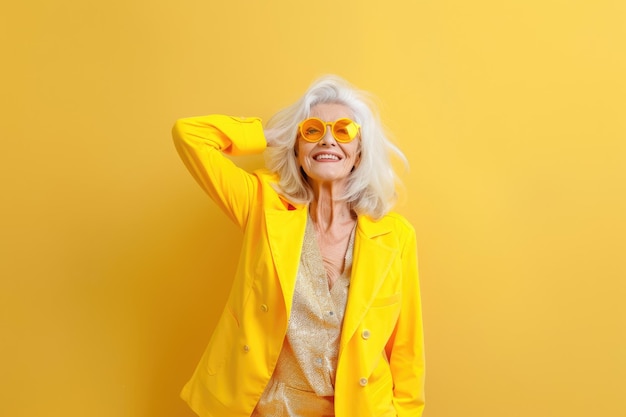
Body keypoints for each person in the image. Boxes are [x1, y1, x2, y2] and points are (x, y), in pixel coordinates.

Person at [172, 75, 425, 417]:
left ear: (360, 151)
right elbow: (189, 136)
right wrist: (271, 134)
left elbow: (407, 348)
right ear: (296, 147)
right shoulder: (262, 207)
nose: (327, 140)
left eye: (343, 131)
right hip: (271, 409)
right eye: (312, 130)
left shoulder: (395, 236)